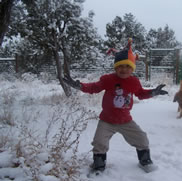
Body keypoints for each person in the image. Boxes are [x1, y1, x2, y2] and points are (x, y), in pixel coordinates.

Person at [63, 38, 168, 172]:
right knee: (99, 142)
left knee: (141, 138)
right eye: (120, 66)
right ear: (115, 67)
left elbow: (140, 94)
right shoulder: (108, 79)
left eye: (127, 66)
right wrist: (79, 86)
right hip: (107, 120)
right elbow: (94, 87)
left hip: (125, 120)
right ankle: (99, 165)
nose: (124, 69)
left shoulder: (134, 82)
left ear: (132, 69)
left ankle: (145, 160)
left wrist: (153, 92)